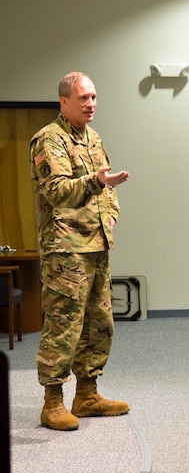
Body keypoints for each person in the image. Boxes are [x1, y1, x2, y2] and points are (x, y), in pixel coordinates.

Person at [29, 72, 131, 431]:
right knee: (64, 325)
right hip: (65, 250)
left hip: (97, 245)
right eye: (83, 98)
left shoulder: (93, 137)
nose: (90, 104)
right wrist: (97, 181)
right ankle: (52, 402)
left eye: (94, 97)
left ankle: (87, 395)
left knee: (98, 322)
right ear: (64, 102)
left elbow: (107, 186)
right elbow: (56, 190)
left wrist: (112, 211)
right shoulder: (48, 139)